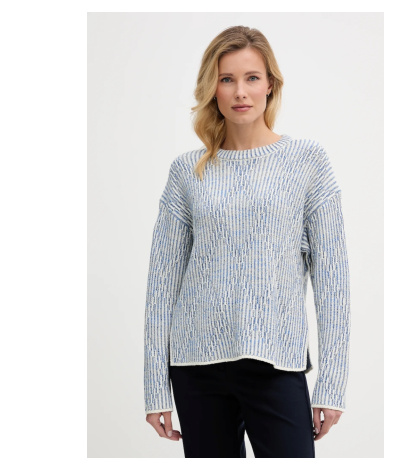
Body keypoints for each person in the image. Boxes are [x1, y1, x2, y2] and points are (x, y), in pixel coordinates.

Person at [144, 25, 351, 458]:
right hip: (196, 367)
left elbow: (333, 281)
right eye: (227, 79)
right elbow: (162, 285)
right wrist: (154, 387)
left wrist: (332, 384)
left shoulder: (307, 162)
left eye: (252, 77)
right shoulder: (187, 172)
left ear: (270, 84)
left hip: (277, 363)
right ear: (212, 88)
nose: (240, 91)